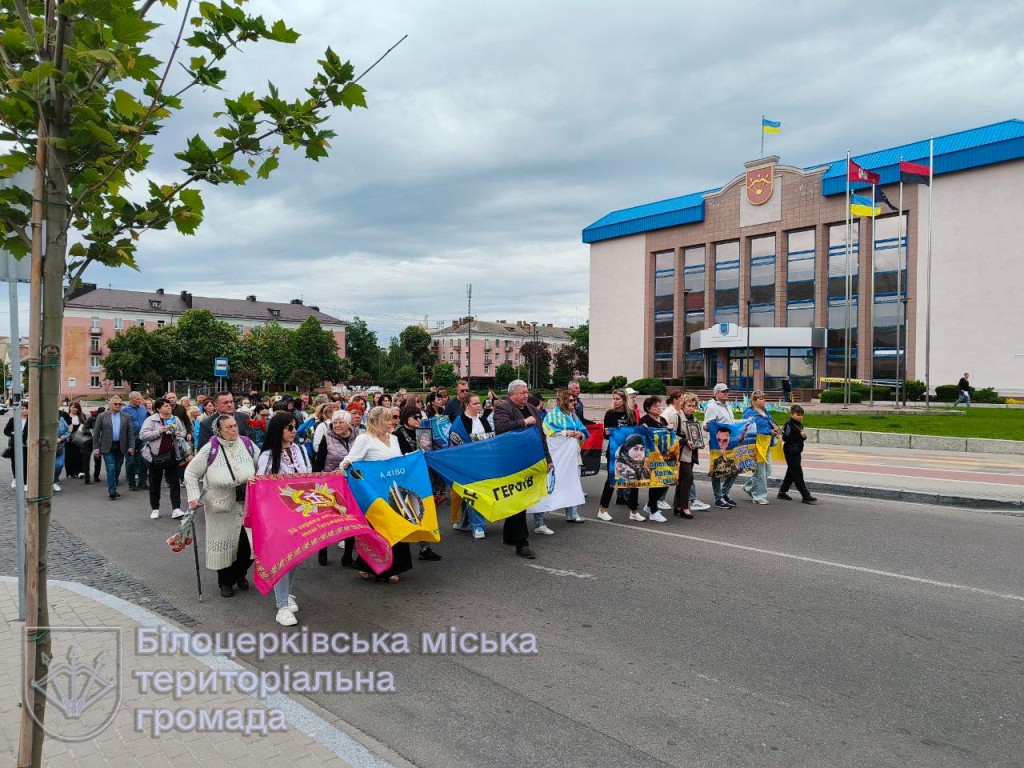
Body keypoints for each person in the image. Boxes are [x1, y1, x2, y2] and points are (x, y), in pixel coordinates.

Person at [185, 414, 259, 597]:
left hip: (246, 503)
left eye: (235, 426)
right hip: (220, 506)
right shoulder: (210, 448)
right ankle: (225, 582)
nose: (234, 429)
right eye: (229, 427)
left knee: (248, 546)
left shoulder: (247, 444)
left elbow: (263, 465)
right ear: (219, 430)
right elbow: (191, 473)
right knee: (224, 545)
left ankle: (240, 573)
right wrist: (193, 497)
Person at [341, 406, 414, 582]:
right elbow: (349, 460)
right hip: (373, 494)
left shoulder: (394, 438)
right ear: (375, 422)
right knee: (378, 530)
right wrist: (346, 464)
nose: (391, 422)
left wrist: (413, 458)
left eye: (392, 419)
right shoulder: (364, 439)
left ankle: (389, 566)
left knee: (394, 527)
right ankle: (378, 567)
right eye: (387, 419)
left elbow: (398, 462)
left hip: (394, 492)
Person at [256, 412, 312, 626]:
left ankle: (286, 594)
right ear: (278, 430)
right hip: (277, 514)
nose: (293, 431)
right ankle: (282, 606)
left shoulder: (300, 450)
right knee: (282, 556)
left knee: (296, 556)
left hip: (300, 511)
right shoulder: (268, 456)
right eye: (289, 427)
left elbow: (309, 475)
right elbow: (261, 485)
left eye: (295, 427)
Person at [492, 380, 552, 559]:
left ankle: (509, 535)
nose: (526, 396)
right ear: (512, 394)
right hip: (511, 462)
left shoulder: (532, 408)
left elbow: (541, 435)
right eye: (522, 393)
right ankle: (522, 544)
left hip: (529, 461)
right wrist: (524, 422)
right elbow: (501, 428)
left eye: (527, 392)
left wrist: (547, 458)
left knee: (519, 500)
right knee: (519, 501)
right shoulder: (503, 408)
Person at [393, 404, 442, 562]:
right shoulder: (396, 435)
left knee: (424, 510)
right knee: (406, 511)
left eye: (420, 417)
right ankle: (402, 543)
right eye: (415, 417)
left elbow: (431, 450)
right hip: (405, 478)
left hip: (422, 476)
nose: (419, 420)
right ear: (406, 417)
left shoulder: (423, 433)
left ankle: (424, 547)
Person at [312, 409, 358, 566]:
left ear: (349, 424)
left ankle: (347, 557)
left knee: (350, 519)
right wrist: (316, 483)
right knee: (327, 519)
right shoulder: (327, 438)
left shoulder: (358, 438)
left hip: (352, 484)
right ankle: (322, 550)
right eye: (334, 422)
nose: (337, 425)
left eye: (341, 422)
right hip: (330, 485)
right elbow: (318, 462)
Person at [541, 389, 587, 525]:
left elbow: (584, 431)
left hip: (574, 456)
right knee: (551, 483)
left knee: (573, 483)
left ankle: (572, 514)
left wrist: (580, 434)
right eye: (571, 400)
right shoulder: (552, 416)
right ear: (563, 401)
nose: (574, 403)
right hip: (557, 457)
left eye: (575, 400)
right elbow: (546, 431)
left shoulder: (573, 416)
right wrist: (565, 433)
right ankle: (542, 513)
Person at [596, 388, 641, 522]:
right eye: (614, 399)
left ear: (624, 400)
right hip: (614, 451)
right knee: (612, 480)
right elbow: (606, 434)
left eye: (618, 399)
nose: (615, 401)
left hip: (629, 451)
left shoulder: (631, 413)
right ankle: (602, 509)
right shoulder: (610, 413)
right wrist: (606, 433)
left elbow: (634, 431)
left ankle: (633, 511)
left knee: (634, 480)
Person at [451, 394, 492, 538]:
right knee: (474, 494)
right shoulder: (459, 423)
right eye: (475, 403)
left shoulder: (483, 420)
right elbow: (455, 444)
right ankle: (478, 526)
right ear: (467, 405)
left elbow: (491, 439)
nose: (478, 406)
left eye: (479, 403)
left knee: (476, 494)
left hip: (484, 462)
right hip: (467, 464)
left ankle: (464, 522)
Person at [139, 398, 187, 520]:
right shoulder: (151, 420)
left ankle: (176, 509)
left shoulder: (175, 419)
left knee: (174, 483)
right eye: (165, 406)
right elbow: (142, 435)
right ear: (158, 408)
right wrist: (158, 431)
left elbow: (183, 431)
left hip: (172, 454)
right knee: (155, 483)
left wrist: (180, 434)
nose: (169, 407)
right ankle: (155, 509)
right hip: (155, 456)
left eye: (169, 405)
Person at [742, 390, 781, 506]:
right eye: (760, 398)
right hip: (756, 446)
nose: (763, 400)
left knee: (767, 471)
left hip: (766, 445)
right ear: (754, 401)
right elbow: (751, 428)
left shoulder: (764, 412)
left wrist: (775, 429)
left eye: (764, 398)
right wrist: (769, 431)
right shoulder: (749, 412)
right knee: (760, 473)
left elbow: (769, 423)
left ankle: (748, 487)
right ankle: (759, 497)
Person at [92, 395, 135, 500]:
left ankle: (113, 486)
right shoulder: (102, 416)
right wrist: (96, 448)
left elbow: (130, 433)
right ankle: (112, 491)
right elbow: (96, 433)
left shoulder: (126, 416)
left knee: (117, 468)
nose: (118, 406)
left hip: (121, 446)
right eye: (116, 404)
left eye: (120, 404)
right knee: (111, 467)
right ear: (110, 405)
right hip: (107, 446)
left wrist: (131, 447)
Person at [704, 383, 739, 509]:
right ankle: (718, 498)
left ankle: (724, 492)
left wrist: (744, 422)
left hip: (730, 441)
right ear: (716, 393)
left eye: (727, 391)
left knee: (736, 468)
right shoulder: (712, 407)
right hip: (718, 443)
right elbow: (707, 424)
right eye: (723, 391)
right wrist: (711, 427)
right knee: (718, 469)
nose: (726, 393)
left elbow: (730, 422)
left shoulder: (727, 405)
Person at [639, 395, 670, 523]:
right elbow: (640, 437)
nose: (659, 408)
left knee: (666, 480)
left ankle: (650, 505)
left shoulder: (662, 419)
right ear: (648, 408)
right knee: (656, 482)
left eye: (659, 405)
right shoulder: (644, 421)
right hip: (651, 456)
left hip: (664, 455)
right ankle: (653, 511)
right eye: (655, 406)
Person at [778, 405, 817, 504]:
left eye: (801, 415)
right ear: (791, 414)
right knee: (797, 473)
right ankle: (805, 495)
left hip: (797, 451)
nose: (800, 417)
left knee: (791, 473)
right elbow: (785, 438)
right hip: (790, 451)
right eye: (798, 414)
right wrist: (799, 436)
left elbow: (799, 438)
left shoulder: (799, 424)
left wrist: (803, 437)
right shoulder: (788, 424)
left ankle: (782, 492)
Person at [672, 393, 701, 519]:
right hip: (681, 453)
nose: (691, 408)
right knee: (688, 478)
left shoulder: (693, 419)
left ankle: (677, 506)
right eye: (689, 406)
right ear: (683, 405)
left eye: (693, 406)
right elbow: (670, 435)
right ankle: (684, 507)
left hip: (691, 453)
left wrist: (699, 442)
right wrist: (684, 441)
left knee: (682, 480)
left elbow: (696, 436)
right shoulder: (677, 417)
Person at [122, 391, 150, 492]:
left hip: (142, 438)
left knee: (144, 459)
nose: (140, 400)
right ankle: (131, 483)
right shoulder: (125, 410)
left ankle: (142, 482)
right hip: (130, 439)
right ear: (131, 400)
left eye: (140, 398)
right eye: (137, 399)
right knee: (130, 461)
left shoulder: (143, 408)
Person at [5, 402, 28, 490]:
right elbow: (6, 431)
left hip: (26, 446)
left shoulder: (32, 420)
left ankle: (25, 482)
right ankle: (15, 478)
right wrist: (13, 433)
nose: (24, 410)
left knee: (25, 464)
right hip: (15, 445)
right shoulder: (13, 419)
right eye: (22, 408)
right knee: (14, 463)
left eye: (26, 408)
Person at [64, 401, 87, 481]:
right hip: (68, 439)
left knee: (79, 455)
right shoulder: (66, 416)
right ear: (70, 407)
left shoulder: (82, 416)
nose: (74, 409)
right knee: (69, 456)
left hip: (79, 439)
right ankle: (70, 472)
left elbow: (85, 427)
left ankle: (80, 472)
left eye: (76, 407)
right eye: (73, 407)